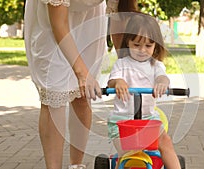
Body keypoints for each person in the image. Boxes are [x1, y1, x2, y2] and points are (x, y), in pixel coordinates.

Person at [24, 0, 110, 169]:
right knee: (54, 95)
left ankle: (76, 165)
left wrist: (126, 65)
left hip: (89, 21)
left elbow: (122, 11)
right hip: (52, 21)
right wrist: (82, 73)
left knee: (82, 96)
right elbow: (59, 23)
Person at [107, 13, 181, 169]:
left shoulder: (156, 65)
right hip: (122, 122)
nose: (142, 50)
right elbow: (112, 81)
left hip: (148, 119)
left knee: (166, 142)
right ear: (128, 42)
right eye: (136, 45)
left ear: (155, 46)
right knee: (128, 154)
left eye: (148, 46)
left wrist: (162, 83)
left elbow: (162, 77)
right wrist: (118, 82)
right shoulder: (121, 64)